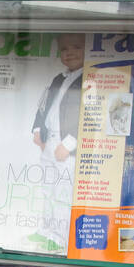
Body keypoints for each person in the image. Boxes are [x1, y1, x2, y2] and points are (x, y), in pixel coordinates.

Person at [31, 33, 86, 169]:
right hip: (48, 139)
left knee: (64, 184)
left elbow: (89, 116)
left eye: (76, 47)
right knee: (46, 184)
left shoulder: (88, 79)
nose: (70, 53)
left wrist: (68, 145)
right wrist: (37, 130)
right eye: (64, 49)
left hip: (66, 143)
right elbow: (43, 105)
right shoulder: (58, 79)